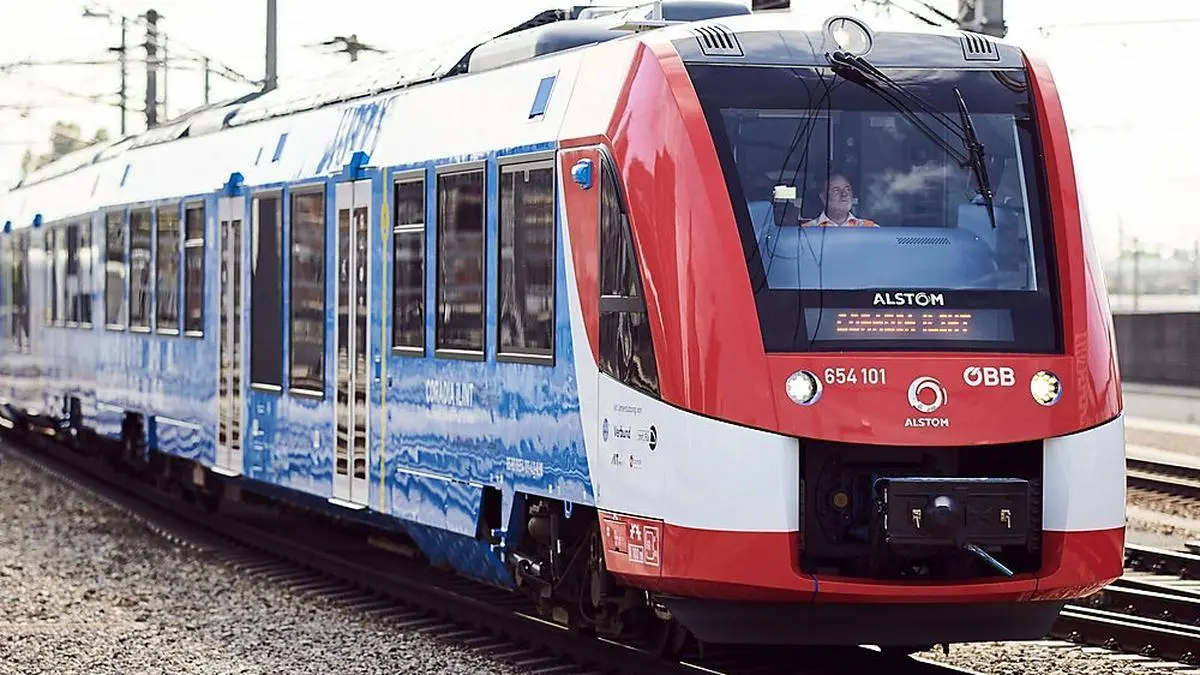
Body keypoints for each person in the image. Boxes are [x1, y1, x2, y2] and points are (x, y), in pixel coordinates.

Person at [801, 173, 878, 227]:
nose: (844, 194)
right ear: (823, 198)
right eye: (836, 190)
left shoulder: (869, 228)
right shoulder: (806, 231)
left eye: (848, 189)